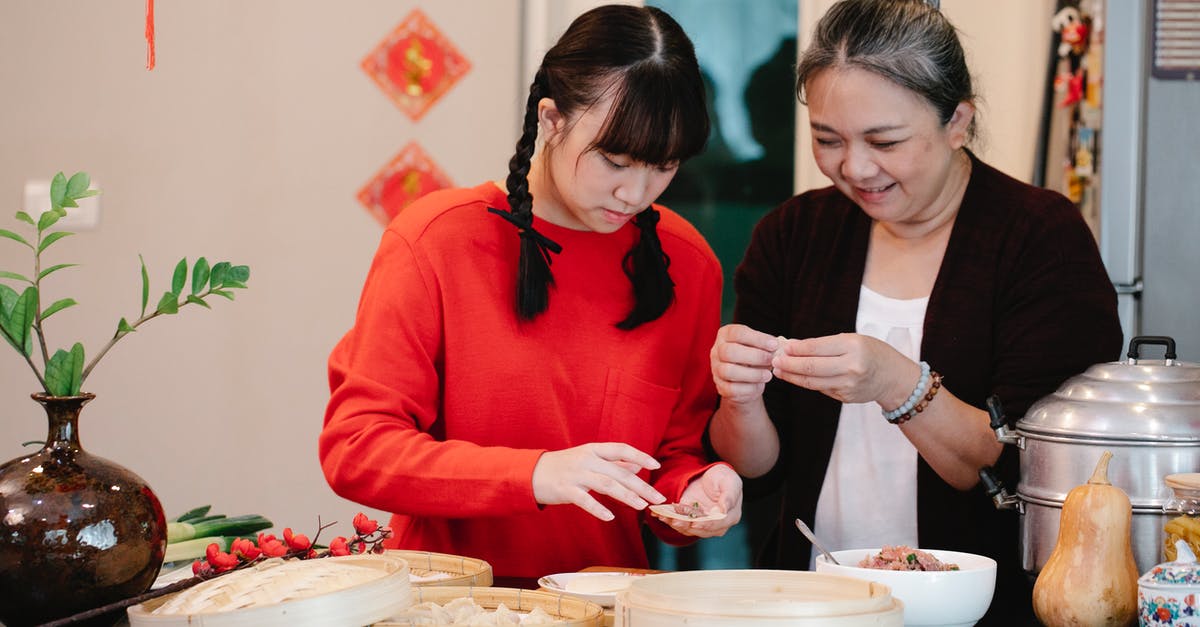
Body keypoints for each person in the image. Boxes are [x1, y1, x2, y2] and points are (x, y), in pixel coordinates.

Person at [706, 0, 1121, 624]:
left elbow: (1031, 464)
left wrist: (898, 383)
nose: (855, 167)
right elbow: (756, 468)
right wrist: (738, 398)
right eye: (828, 139)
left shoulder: (1039, 237)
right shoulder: (794, 235)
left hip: (985, 606)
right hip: (814, 602)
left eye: (885, 140)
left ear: (958, 121)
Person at [320, 4, 742, 582]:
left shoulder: (687, 264)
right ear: (550, 119)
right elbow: (358, 450)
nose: (635, 191)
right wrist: (535, 475)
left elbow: (670, 462)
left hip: (608, 608)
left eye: (663, 166)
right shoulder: (436, 239)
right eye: (614, 160)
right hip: (446, 606)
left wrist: (697, 489)